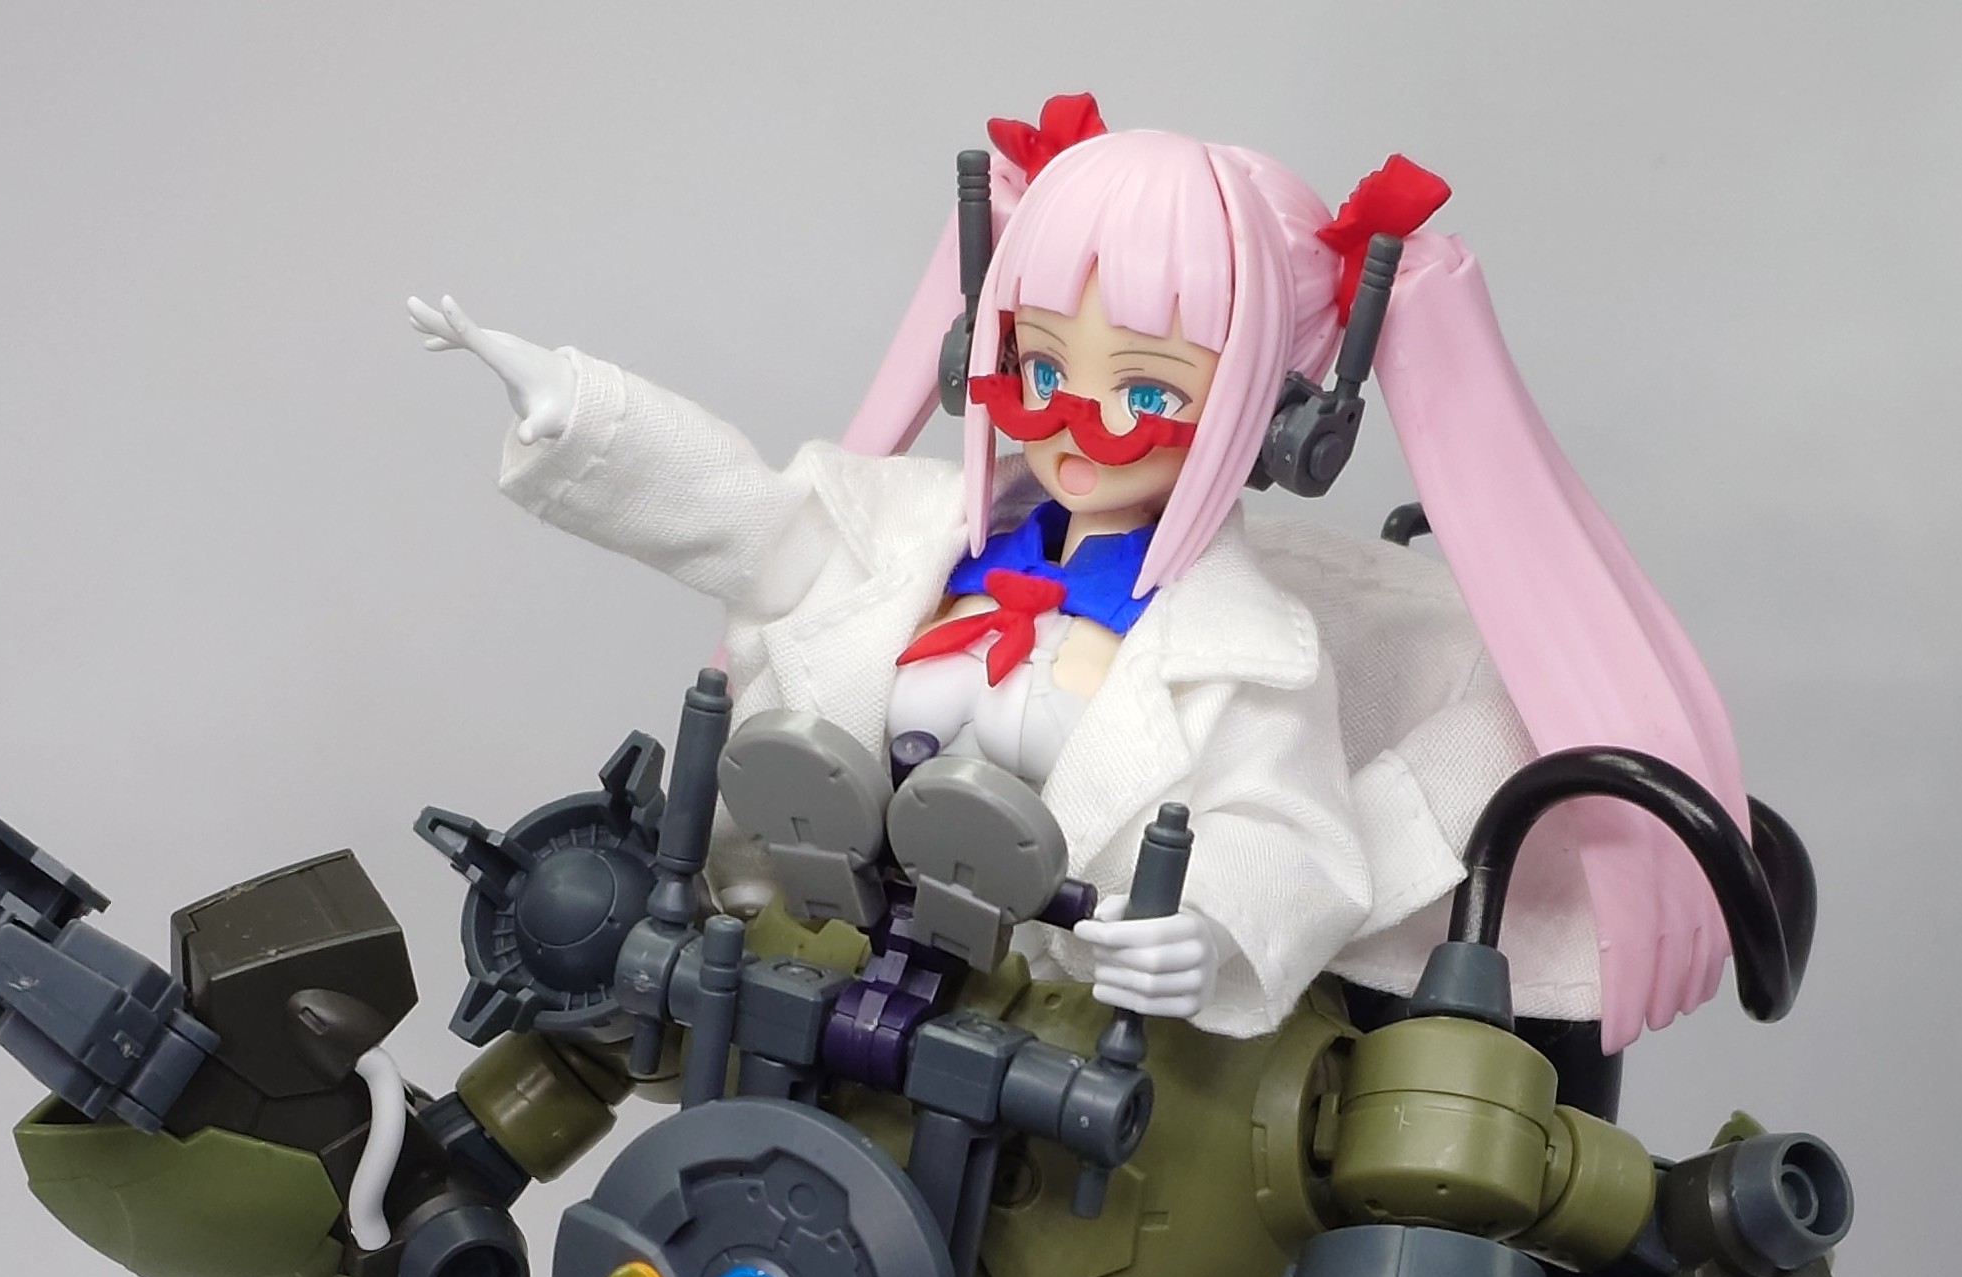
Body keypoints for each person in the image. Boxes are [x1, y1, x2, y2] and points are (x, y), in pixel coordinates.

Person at [412, 98, 1749, 1059]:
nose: (1076, 426)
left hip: (1053, 1030)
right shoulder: (910, 534)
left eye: (1148, 391)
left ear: (1278, 424)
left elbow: (1288, 835)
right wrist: (576, 413)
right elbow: (744, 520)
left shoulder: (1243, 650)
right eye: (1040, 368)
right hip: (815, 972)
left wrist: (1209, 933)